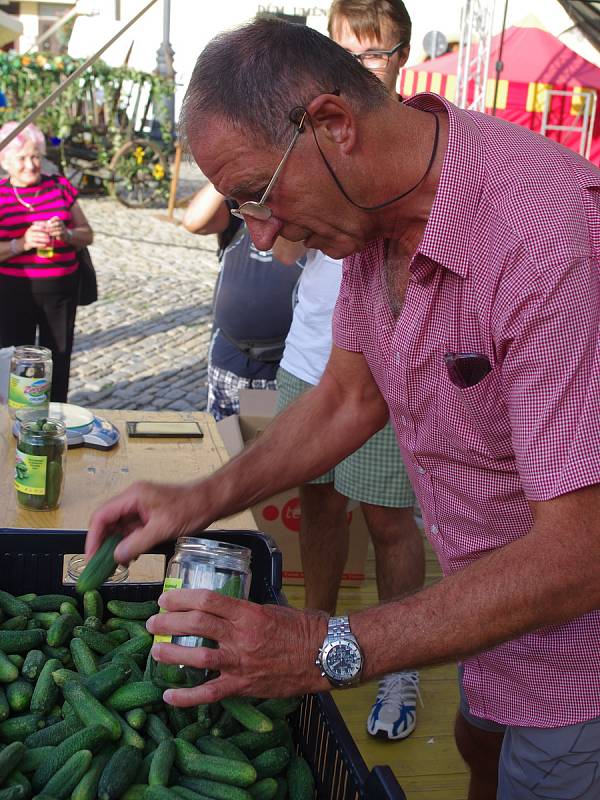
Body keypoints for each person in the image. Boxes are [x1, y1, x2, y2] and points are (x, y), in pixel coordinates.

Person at [87, 18, 600, 800]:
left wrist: (331, 646)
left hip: (576, 660)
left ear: (332, 125)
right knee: (478, 751)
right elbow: (346, 398)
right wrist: (197, 500)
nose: (259, 234)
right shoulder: (375, 221)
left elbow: (582, 551)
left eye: (258, 194)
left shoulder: (550, 237)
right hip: (487, 622)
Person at [275, 0, 424, 741]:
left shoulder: (411, 143)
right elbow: (279, 251)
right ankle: (315, 640)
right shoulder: (302, 135)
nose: (360, 67)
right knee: (319, 504)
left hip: (387, 366)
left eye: (374, 53)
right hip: (310, 354)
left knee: (390, 518)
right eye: (344, 51)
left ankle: (400, 667)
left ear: (402, 56)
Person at [182, 183, 303, 420]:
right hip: (230, 355)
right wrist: (224, 178)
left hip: (283, 363)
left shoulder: (303, 217)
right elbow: (193, 221)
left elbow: (290, 256)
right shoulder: (239, 213)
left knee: (272, 447)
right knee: (224, 442)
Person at [0, 122, 93, 403]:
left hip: (61, 291)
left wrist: (66, 234)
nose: (32, 164)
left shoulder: (59, 185)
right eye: (23, 158)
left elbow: (87, 234)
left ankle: (54, 416)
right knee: (17, 362)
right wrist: (23, 243)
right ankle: (16, 420)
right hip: (14, 293)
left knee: (58, 359)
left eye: (36, 156)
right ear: (5, 161)